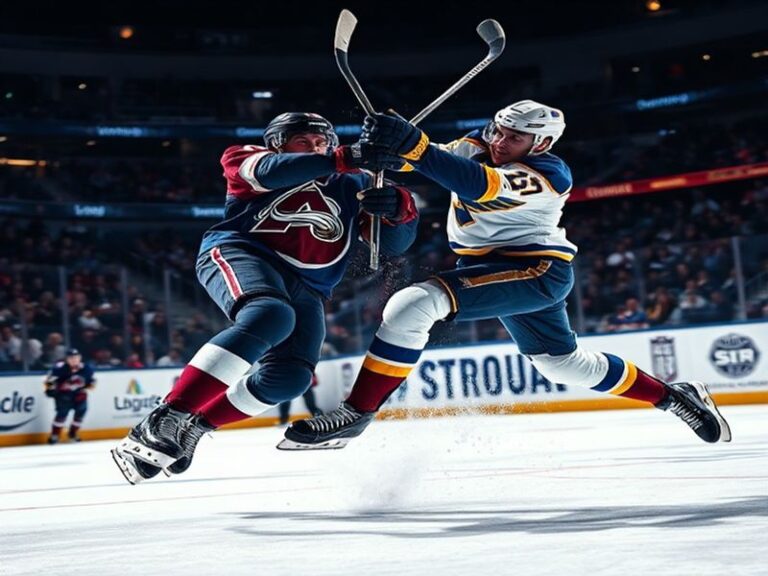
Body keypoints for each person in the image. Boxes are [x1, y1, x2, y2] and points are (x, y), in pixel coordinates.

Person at [283, 100, 732, 449]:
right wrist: (385, 149)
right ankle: (675, 396)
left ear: (539, 145)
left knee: (412, 305)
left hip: (535, 270)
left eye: (515, 138)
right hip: (493, 267)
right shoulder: (477, 144)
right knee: (563, 364)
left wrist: (413, 145)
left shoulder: (550, 173)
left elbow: (475, 184)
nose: (500, 141)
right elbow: (420, 163)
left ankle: (356, 413)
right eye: (498, 129)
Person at [110, 112, 418, 484]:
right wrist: (345, 156)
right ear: (277, 143)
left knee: (289, 379)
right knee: (271, 315)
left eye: (322, 143)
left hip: (310, 288)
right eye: (303, 142)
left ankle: (195, 425)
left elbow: (393, 247)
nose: (316, 148)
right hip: (244, 253)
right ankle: (165, 417)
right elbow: (273, 171)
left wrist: (398, 210)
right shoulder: (244, 156)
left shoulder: (356, 183)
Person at [44, 348, 96, 443]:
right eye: (71, 358)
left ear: (80, 358)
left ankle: (72, 434)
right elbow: (49, 380)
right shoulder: (59, 368)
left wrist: (88, 387)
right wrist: (50, 389)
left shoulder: (86, 368)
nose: (73, 359)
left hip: (80, 396)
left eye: (76, 357)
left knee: (80, 415)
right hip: (63, 396)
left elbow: (92, 382)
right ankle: (55, 435)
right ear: (66, 359)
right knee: (61, 415)